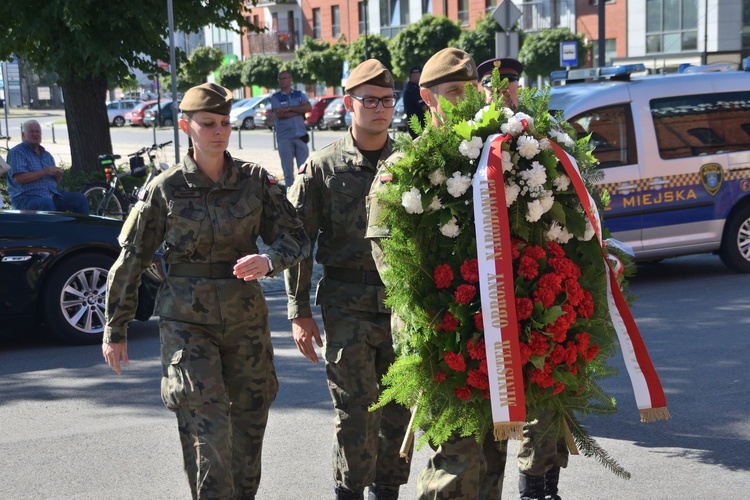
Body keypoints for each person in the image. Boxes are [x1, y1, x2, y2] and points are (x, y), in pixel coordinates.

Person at [102, 82, 309, 499]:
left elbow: (297, 238)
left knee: (250, 426)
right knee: (208, 428)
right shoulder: (166, 187)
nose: (219, 131)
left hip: (245, 322)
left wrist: (269, 261)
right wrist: (115, 327)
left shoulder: (254, 181)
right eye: (208, 123)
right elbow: (132, 257)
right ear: (186, 126)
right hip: (187, 325)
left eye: (225, 123)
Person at [367, 47, 509, 500]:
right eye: (452, 91)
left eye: (471, 89)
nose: (465, 99)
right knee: (457, 454)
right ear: (427, 98)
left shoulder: (496, 159)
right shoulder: (403, 168)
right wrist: (438, 308)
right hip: (439, 331)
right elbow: (390, 259)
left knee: (494, 451)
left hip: (496, 327)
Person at [284, 59, 412, 500]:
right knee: (356, 409)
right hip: (347, 300)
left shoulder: (411, 161)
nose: (380, 109)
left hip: (402, 302)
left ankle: (387, 491)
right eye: (370, 100)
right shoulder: (324, 166)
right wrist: (298, 311)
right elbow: (298, 241)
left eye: (387, 100)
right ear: (348, 104)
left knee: (398, 406)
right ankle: (350, 492)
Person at [477, 57, 569, 500]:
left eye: (511, 82)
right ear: (482, 90)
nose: (504, 89)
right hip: (491, 282)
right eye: (496, 83)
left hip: (542, 275)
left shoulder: (544, 134)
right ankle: (528, 483)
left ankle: (542, 484)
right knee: (505, 389)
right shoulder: (473, 138)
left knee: (547, 383)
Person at [6, 120, 89, 214]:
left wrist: (58, 176)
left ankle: (81, 228)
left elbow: (53, 183)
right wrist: (44, 172)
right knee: (46, 204)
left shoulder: (47, 155)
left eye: (37, 132)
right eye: (31, 132)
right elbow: (19, 178)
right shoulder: (17, 152)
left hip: (50, 196)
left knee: (80, 198)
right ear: (23, 135)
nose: (35, 134)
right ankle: (55, 229)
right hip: (26, 198)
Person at [272, 70, 312, 187]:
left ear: (291, 79)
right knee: (288, 171)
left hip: (300, 136)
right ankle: (290, 195)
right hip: (285, 138)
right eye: (280, 79)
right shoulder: (276, 97)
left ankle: (304, 192)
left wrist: (289, 109)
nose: (282, 81)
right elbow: (280, 115)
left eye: (285, 78)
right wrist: (299, 110)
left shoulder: (299, 94)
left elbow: (308, 107)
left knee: (304, 170)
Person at [402, 65, 428, 139]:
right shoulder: (412, 89)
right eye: (420, 74)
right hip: (418, 125)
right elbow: (425, 107)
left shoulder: (415, 88)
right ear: (412, 75)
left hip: (418, 124)